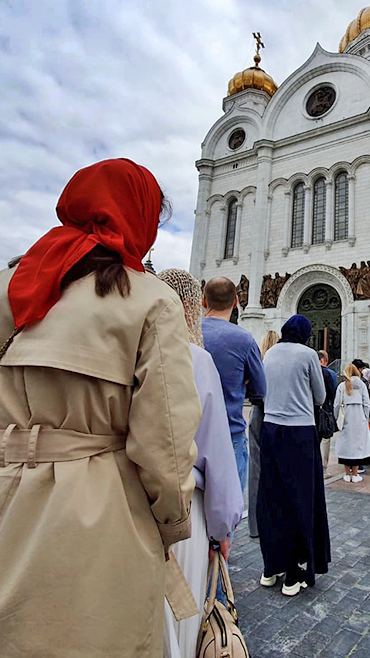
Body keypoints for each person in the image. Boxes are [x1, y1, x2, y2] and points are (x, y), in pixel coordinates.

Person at [0, 158, 202, 656]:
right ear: (140, 218)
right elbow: (164, 442)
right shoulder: (150, 299)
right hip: (93, 517)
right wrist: (170, 526)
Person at [157, 269, 243, 658]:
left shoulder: (124, 351)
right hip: (184, 511)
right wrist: (223, 529)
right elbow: (216, 455)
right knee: (183, 618)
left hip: (123, 505)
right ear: (194, 306)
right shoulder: (194, 357)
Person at [257, 315, 330, 597]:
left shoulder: (270, 352)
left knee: (272, 496)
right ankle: (292, 574)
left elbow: (262, 392)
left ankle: (270, 567)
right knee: (300, 499)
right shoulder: (308, 354)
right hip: (299, 433)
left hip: (270, 430)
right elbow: (320, 397)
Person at [201, 277, 267, 498]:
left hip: (187, 435)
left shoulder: (182, 333)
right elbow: (260, 391)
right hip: (229, 434)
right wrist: (241, 384)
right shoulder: (244, 339)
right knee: (227, 511)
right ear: (237, 301)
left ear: (203, 301)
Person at [248, 329, 279, 539]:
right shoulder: (280, 364)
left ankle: (254, 525)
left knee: (256, 470)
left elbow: (253, 394)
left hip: (258, 414)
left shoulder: (259, 363)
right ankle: (274, 520)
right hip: (276, 416)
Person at [333, 364, 370, 482]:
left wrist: (336, 417)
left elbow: (336, 404)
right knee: (357, 446)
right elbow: (367, 403)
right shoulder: (361, 385)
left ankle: (347, 473)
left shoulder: (342, 386)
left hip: (345, 417)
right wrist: (366, 417)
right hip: (359, 418)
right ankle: (355, 474)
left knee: (346, 446)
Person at [318, 350, 338, 477]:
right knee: (325, 439)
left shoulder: (307, 370)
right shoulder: (328, 373)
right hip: (324, 410)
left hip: (309, 410)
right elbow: (332, 393)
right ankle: (323, 468)